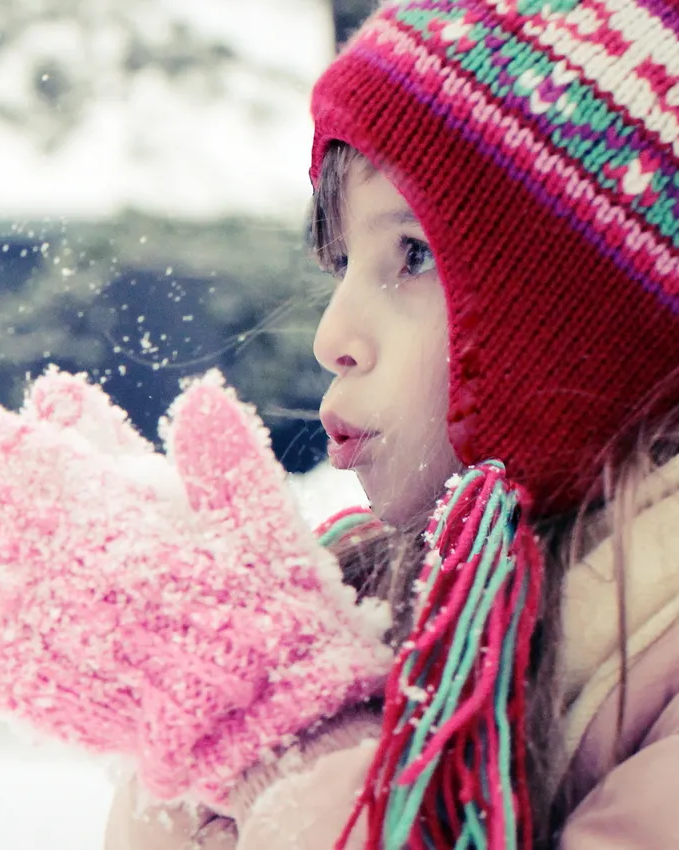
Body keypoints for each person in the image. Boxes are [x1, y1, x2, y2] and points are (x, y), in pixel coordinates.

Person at [106, 0, 679, 847]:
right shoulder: (367, 599)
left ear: (588, 322)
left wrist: (298, 745)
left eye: (410, 255)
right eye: (342, 265)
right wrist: (201, 714)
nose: (330, 337)